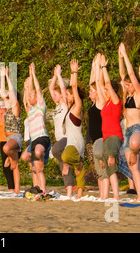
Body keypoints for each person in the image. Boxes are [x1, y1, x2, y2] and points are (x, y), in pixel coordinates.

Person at [117, 43, 140, 201]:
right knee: (132, 163)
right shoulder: (127, 95)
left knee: (135, 145)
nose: (127, 87)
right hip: (127, 131)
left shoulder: (138, 93)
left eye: (130, 84)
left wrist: (126, 55)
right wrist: (120, 57)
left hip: (138, 128)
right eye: (126, 85)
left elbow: (130, 73)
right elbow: (123, 74)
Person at [95, 53, 123, 200]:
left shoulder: (116, 102)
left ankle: (116, 196)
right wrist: (97, 66)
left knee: (110, 159)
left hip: (114, 136)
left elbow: (106, 84)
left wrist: (104, 67)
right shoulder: (106, 103)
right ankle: (115, 196)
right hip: (106, 137)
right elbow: (99, 84)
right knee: (110, 168)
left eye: (108, 90)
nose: (105, 92)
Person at [21, 63, 51, 194]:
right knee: (28, 161)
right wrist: (27, 86)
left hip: (42, 138)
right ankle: (38, 189)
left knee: (38, 155)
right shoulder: (30, 110)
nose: (30, 97)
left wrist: (33, 74)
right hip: (34, 141)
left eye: (32, 96)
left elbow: (37, 91)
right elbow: (26, 100)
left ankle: (43, 191)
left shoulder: (40, 107)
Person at [0, 66, 22, 194]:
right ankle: (16, 190)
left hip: (15, 138)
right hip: (9, 139)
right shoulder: (7, 109)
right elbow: (4, 92)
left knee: (5, 149)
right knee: (14, 167)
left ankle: (10, 157)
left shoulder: (15, 108)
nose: (6, 98)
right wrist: (2, 77)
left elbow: (9, 91)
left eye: (9, 97)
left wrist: (8, 76)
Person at [60, 59, 86, 199]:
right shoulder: (69, 108)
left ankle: (78, 163)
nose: (67, 96)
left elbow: (73, 87)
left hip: (76, 142)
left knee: (65, 157)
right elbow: (68, 89)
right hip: (72, 142)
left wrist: (74, 72)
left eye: (70, 95)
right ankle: (79, 193)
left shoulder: (77, 107)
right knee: (78, 172)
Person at [49, 64, 73, 197]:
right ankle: (69, 191)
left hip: (67, 137)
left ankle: (66, 164)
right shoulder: (57, 106)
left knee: (56, 152)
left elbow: (62, 91)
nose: (54, 96)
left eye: (55, 95)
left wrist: (59, 75)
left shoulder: (65, 104)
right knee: (63, 166)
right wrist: (54, 77)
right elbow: (51, 88)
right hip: (59, 138)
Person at [86, 56, 107, 199]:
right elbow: (92, 84)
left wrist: (99, 67)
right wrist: (94, 67)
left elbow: (98, 83)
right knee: (98, 169)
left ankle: (104, 195)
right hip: (94, 139)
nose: (89, 92)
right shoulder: (94, 103)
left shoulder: (101, 102)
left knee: (103, 167)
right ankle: (101, 195)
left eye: (91, 91)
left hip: (101, 137)